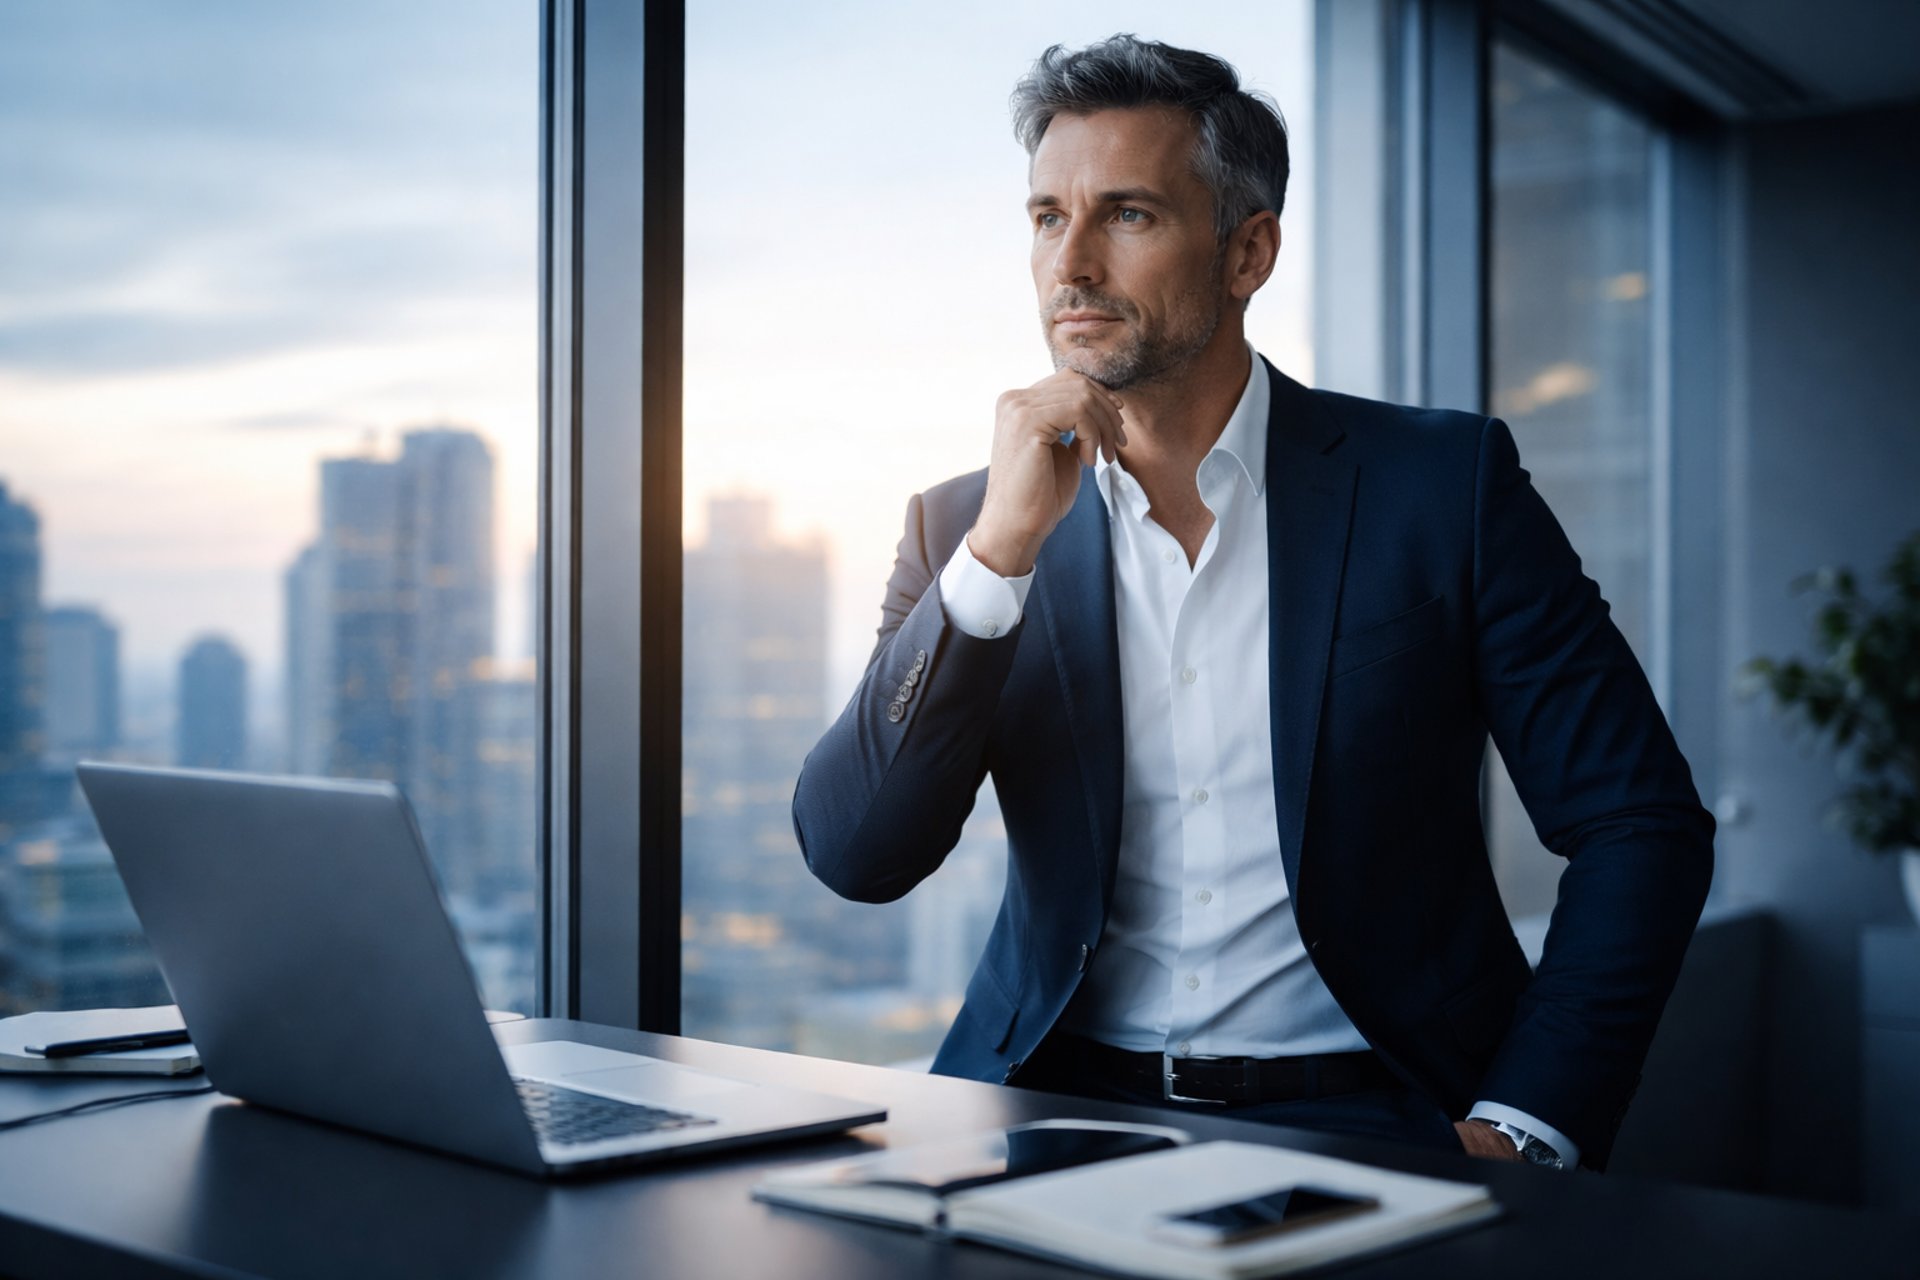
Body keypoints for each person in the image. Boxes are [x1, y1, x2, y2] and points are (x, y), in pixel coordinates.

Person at [792, 34, 1713, 1172]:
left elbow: (1638, 824)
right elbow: (856, 852)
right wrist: (1000, 552)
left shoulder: (1442, 489)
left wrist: (1527, 1123)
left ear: (1249, 251)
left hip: (1384, 1115)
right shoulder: (964, 527)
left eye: (1126, 213)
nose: (1070, 262)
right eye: (1045, 216)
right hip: (1051, 1108)